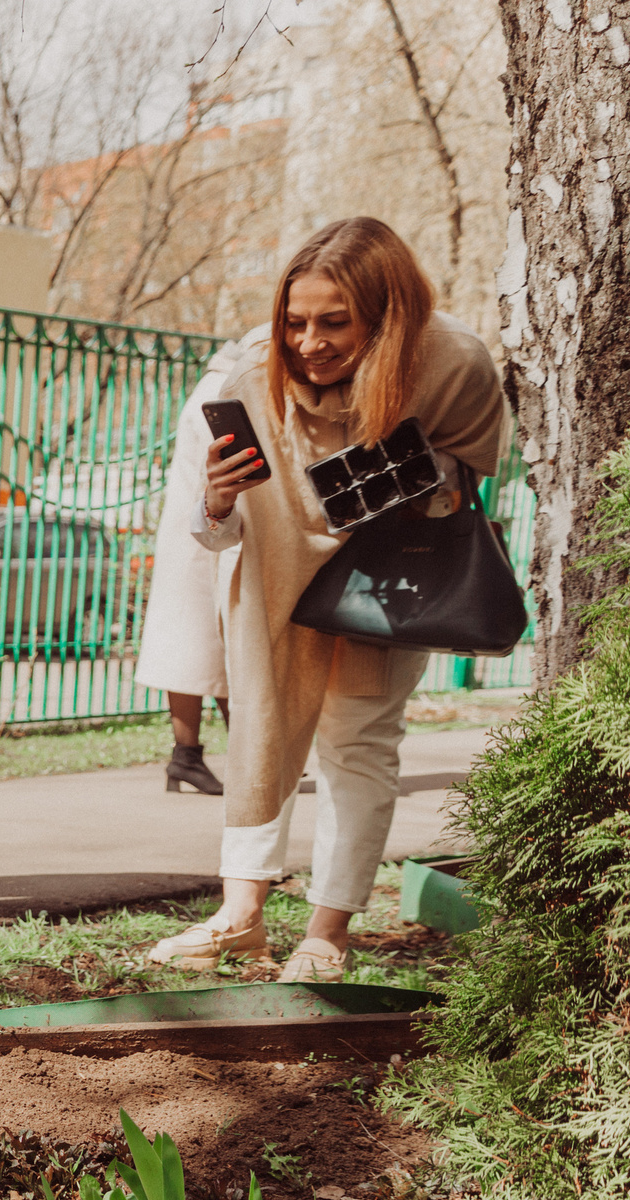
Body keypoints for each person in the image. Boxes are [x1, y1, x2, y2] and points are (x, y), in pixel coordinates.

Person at [148, 218, 504, 981]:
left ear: (387, 317)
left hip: (387, 580)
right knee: (263, 735)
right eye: (295, 321)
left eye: (334, 322)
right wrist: (214, 502)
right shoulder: (252, 380)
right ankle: (240, 920)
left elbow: (474, 472)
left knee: (358, 745)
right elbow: (219, 539)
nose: (308, 342)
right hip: (274, 585)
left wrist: (421, 472)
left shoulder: (448, 367)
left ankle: (327, 933)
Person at [134, 335, 259, 794]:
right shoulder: (225, 395)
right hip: (207, 535)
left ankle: (188, 757)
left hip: (191, 536)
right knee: (217, 653)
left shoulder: (205, 390)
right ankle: (248, 752)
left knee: (191, 654)